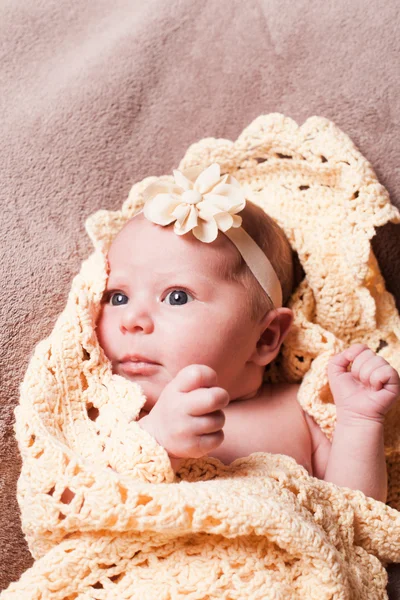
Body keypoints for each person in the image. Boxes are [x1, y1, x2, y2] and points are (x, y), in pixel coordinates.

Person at [95, 163, 400, 503]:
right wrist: (154, 442)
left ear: (266, 337)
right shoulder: (114, 416)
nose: (132, 319)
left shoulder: (298, 412)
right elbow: (69, 500)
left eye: (177, 296)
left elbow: (358, 518)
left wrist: (359, 423)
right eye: (117, 297)